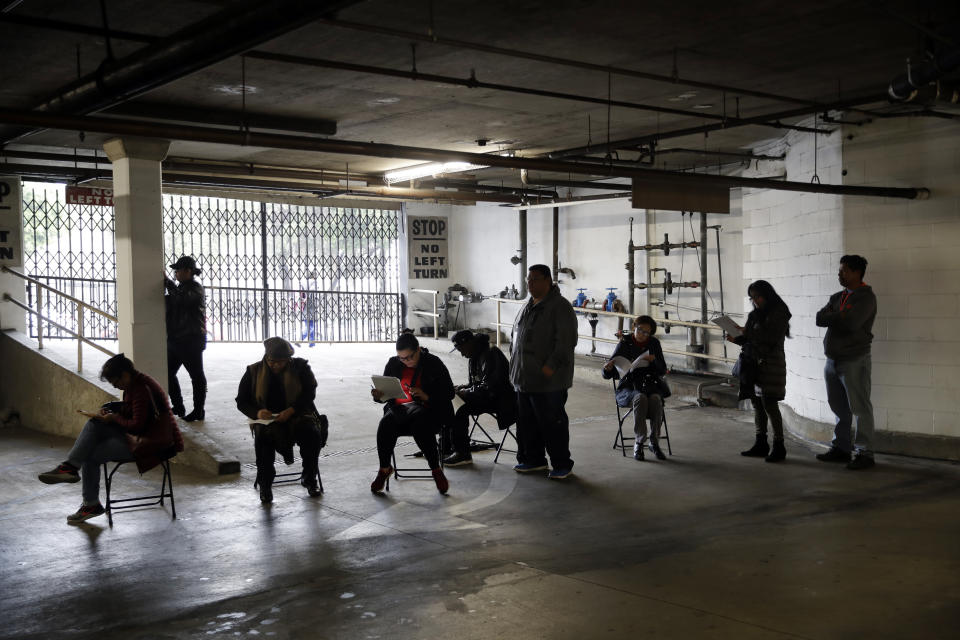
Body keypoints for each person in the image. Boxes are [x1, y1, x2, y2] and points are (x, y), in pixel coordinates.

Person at [37, 353, 185, 523]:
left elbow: (137, 425)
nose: (116, 387)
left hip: (150, 444)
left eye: (116, 383)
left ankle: (81, 488)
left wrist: (113, 418)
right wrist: (110, 409)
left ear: (125, 374)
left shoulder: (142, 389)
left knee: (91, 449)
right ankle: (73, 474)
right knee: (95, 426)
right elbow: (133, 411)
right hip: (140, 437)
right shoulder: (135, 385)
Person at [236, 337, 327, 502]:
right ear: (266, 358)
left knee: (312, 434)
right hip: (267, 418)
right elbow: (241, 401)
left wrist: (292, 410)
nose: (276, 365)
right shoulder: (253, 371)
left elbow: (309, 393)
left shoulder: (300, 368)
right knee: (263, 439)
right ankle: (265, 484)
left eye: (281, 362)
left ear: (288, 359)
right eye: (272, 362)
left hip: (296, 413)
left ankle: (309, 478)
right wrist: (257, 413)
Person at [509, 264, 578, 479]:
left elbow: (565, 343)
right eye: (528, 280)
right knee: (527, 424)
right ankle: (533, 460)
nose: (530, 284)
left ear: (547, 280)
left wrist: (549, 369)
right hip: (524, 378)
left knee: (552, 424)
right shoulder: (528, 306)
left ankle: (561, 464)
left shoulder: (559, 307)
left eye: (534, 279)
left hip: (548, 382)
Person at [815, 255, 878, 470]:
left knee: (860, 408)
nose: (839, 274)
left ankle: (865, 453)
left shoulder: (866, 298)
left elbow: (851, 323)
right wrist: (838, 314)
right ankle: (841, 448)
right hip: (832, 360)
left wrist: (834, 316)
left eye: (844, 271)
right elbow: (818, 318)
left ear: (857, 272)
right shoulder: (837, 296)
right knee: (839, 408)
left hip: (854, 360)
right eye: (839, 270)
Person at [370, 333, 453, 494]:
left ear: (419, 350)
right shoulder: (393, 364)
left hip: (428, 411)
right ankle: (384, 468)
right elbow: (387, 394)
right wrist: (379, 396)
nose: (406, 361)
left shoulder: (433, 363)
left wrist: (426, 396)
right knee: (385, 424)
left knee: (420, 425)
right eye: (402, 358)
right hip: (400, 411)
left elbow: (449, 392)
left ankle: (435, 469)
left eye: (409, 357)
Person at [727, 280, 792, 463]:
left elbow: (769, 337)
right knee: (756, 403)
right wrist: (737, 337)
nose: (755, 301)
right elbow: (751, 340)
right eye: (752, 297)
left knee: (769, 403)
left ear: (767, 295)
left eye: (758, 296)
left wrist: (745, 333)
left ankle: (779, 446)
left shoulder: (780, 312)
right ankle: (761, 442)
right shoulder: (754, 315)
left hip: (771, 363)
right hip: (753, 363)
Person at [443, 329, 517, 467]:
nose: (462, 354)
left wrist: (466, 392)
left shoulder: (491, 353)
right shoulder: (474, 354)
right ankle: (448, 448)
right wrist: (461, 388)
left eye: (461, 349)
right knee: (450, 401)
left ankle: (462, 453)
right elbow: (476, 383)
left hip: (499, 400)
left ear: (470, 343)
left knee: (459, 406)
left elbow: (492, 386)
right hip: (484, 395)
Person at [602, 315, 669, 461]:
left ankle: (654, 441)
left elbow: (662, 370)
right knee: (640, 398)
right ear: (634, 327)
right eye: (640, 330)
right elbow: (610, 372)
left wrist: (654, 361)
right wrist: (607, 369)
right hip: (628, 387)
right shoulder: (624, 343)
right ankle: (639, 442)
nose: (642, 335)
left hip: (649, 385)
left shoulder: (654, 343)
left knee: (656, 399)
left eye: (647, 333)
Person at [164, 255, 207, 422]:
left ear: (188, 271)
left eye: (178, 270)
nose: (175, 273)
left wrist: (168, 283)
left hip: (191, 340)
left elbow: (182, 301)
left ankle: (198, 410)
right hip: (175, 340)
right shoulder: (180, 288)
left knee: (196, 376)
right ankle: (178, 405)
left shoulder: (195, 288)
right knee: (167, 373)